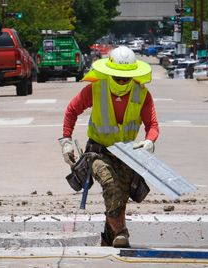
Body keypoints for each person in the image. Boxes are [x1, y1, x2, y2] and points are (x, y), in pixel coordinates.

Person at [59, 46, 159, 248]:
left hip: (127, 154)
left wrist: (149, 141)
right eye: (117, 77)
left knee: (121, 196)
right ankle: (121, 233)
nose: (121, 82)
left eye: (126, 78)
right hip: (98, 152)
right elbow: (71, 110)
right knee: (111, 185)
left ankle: (107, 237)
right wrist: (66, 141)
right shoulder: (95, 90)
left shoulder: (142, 94)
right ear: (108, 72)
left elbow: (153, 125)